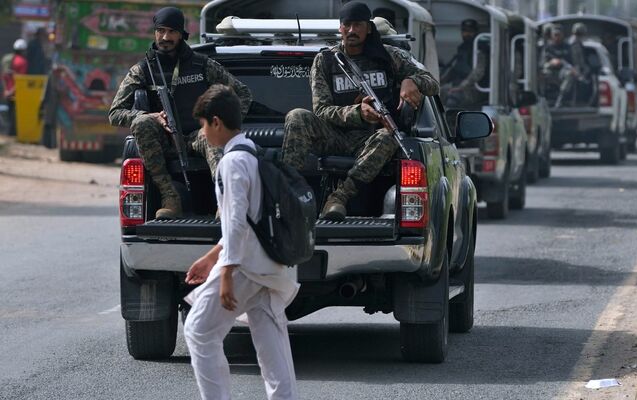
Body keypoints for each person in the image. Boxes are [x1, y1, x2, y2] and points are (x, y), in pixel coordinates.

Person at [183, 84, 299, 400]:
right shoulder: (254, 152)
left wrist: (226, 274)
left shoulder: (231, 162)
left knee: (199, 330)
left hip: (246, 265)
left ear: (216, 122)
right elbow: (250, 218)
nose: (203, 133)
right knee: (272, 344)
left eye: (203, 125)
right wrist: (211, 257)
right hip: (272, 263)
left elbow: (235, 221)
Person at [281, 2, 438, 221]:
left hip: (371, 139)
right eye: (347, 25)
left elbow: (433, 83)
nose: (352, 30)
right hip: (334, 136)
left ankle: (339, 198)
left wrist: (412, 81)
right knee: (297, 116)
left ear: (369, 28)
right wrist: (357, 112)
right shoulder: (326, 60)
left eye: (358, 25)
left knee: (389, 135)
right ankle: (287, 197)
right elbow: (322, 110)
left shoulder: (389, 56)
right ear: (340, 28)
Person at [109, 7, 252, 219]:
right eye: (161, 30)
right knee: (141, 124)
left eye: (172, 32)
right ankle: (170, 197)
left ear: (182, 34)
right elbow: (115, 113)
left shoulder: (201, 64)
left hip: (198, 135)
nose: (165, 37)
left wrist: (226, 124)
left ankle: (224, 199)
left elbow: (243, 93)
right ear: (155, 32)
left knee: (211, 135)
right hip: (164, 141)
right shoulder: (143, 70)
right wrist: (149, 116)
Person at [440, 18, 489, 108]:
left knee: (453, 99)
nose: (467, 34)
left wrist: (462, 86)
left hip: (474, 88)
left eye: (470, 31)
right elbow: (455, 70)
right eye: (465, 31)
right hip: (459, 85)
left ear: (476, 32)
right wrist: (440, 81)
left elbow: (479, 71)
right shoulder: (462, 48)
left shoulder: (480, 48)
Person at [542, 24, 576, 108]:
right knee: (543, 74)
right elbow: (542, 63)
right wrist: (551, 63)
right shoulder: (547, 47)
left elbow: (572, 63)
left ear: (562, 35)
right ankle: (543, 99)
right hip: (551, 71)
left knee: (570, 74)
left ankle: (560, 100)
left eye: (559, 35)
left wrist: (562, 63)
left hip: (563, 71)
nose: (557, 37)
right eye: (555, 35)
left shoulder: (568, 47)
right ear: (552, 35)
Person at [2, 39, 28, 137]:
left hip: (8, 90)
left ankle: (9, 133)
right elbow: (21, 80)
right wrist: (13, 91)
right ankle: (14, 133)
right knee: (16, 114)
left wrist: (6, 90)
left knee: (9, 112)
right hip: (17, 92)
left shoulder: (7, 59)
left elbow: (4, 76)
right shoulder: (23, 62)